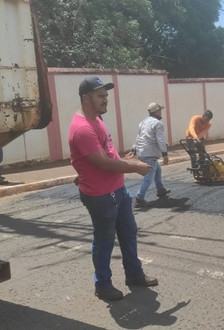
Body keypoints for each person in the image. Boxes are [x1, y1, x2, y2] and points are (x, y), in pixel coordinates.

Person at [68, 76, 158, 302]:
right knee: (105, 240)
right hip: (100, 197)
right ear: (86, 98)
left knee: (129, 234)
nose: (105, 99)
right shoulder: (82, 128)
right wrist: (135, 166)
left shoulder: (97, 120)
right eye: (100, 96)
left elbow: (107, 153)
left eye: (106, 95)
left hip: (118, 191)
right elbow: (104, 163)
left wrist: (123, 158)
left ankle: (134, 275)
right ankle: (103, 285)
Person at [130, 102, 170, 209]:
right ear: (156, 111)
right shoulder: (158, 124)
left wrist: (133, 150)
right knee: (149, 176)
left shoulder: (142, 123)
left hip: (141, 152)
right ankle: (139, 198)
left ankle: (160, 190)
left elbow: (139, 137)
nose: (161, 112)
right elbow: (160, 140)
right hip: (150, 153)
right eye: (160, 110)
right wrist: (165, 154)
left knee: (157, 169)